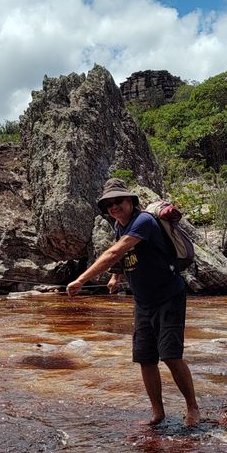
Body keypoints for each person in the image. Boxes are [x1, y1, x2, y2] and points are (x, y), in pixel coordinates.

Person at [66, 178, 201, 426]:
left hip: (168, 296)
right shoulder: (121, 226)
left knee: (170, 355)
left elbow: (115, 252)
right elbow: (123, 255)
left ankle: (192, 408)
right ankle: (158, 413)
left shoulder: (144, 222)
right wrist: (116, 276)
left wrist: (81, 280)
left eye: (119, 201)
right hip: (143, 302)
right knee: (145, 358)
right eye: (109, 204)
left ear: (131, 201)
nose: (114, 206)